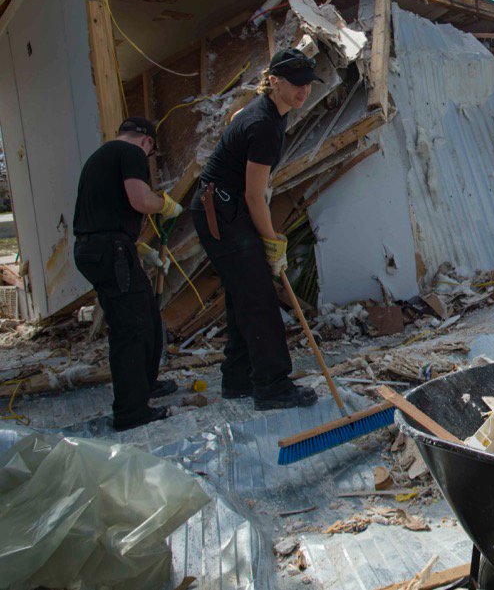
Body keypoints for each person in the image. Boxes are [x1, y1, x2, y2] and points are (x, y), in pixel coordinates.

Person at [191, 49, 320, 409]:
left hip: (223, 205)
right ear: (274, 81)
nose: (304, 92)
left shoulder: (266, 112)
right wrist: (270, 241)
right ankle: (272, 386)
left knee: (243, 295)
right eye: (296, 85)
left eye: (308, 85)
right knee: (260, 298)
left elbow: (236, 125)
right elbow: (252, 194)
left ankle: (237, 379)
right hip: (222, 210)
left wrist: (269, 236)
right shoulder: (264, 124)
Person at [73, 117, 184, 431]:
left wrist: (135, 248)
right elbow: (139, 200)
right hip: (110, 250)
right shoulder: (131, 153)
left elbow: (107, 210)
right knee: (131, 328)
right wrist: (163, 203)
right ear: (146, 141)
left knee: (147, 316)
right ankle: (131, 412)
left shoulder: (102, 157)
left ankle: (145, 385)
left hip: (105, 248)